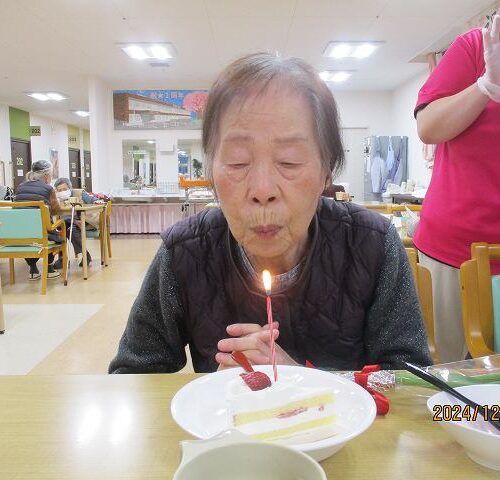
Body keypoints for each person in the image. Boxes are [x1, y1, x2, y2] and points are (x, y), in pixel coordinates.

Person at [109, 52, 431, 374]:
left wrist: (299, 381)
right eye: (237, 161)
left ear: (326, 172)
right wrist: (212, 391)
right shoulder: (184, 252)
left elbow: (411, 380)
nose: (263, 190)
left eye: (289, 161)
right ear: (212, 173)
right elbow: (130, 377)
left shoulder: (372, 245)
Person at [414, 16, 500, 363]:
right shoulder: (475, 46)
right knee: (444, 368)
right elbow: (428, 127)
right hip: (452, 248)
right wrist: (486, 86)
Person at [15, 160, 61, 280]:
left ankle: (33, 269)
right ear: (46, 176)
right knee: (53, 231)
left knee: (30, 232)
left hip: (22, 234)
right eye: (51, 175)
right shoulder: (48, 188)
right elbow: (56, 211)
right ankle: (49, 268)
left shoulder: (20, 187)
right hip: (43, 235)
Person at [52, 178, 95, 269]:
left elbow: (93, 200)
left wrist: (95, 202)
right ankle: (63, 258)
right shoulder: (56, 198)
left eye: (64, 189)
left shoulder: (79, 193)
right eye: (59, 190)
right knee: (59, 231)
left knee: (72, 230)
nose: (62, 192)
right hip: (64, 222)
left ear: (70, 188)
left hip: (80, 221)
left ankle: (85, 255)